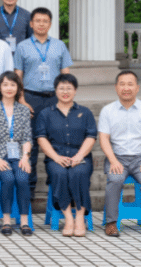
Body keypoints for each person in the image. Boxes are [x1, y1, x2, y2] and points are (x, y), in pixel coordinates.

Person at [13, 7, 72, 195]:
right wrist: (21, 99)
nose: (41, 24)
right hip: (30, 98)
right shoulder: (22, 47)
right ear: (31, 24)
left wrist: (65, 100)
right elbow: (18, 75)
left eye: (45, 21)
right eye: (37, 21)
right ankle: (28, 190)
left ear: (50, 24)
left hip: (54, 99)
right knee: (30, 143)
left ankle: (56, 188)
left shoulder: (59, 46)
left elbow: (66, 75)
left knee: (56, 141)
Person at [98, 70, 141, 239]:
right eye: (122, 84)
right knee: (115, 180)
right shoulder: (108, 110)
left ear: (137, 88)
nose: (126, 88)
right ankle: (111, 223)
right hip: (117, 157)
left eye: (130, 84)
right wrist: (113, 160)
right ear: (116, 87)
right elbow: (103, 138)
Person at [35, 73, 96, 238]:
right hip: (56, 158)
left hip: (80, 157)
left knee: (79, 173)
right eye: (61, 88)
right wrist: (56, 157)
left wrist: (79, 156)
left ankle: (79, 218)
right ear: (55, 90)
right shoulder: (46, 114)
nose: (65, 92)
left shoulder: (85, 112)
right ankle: (69, 218)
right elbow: (41, 138)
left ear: (75, 90)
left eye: (69, 88)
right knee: (60, 174)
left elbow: (91, 137)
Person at [0, 72, 34, 236]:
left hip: (18, 155)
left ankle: (24, 221)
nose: (9, 88)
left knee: (22, 178)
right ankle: (6, 221)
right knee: (8, 178)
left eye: (12, 84)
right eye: (5, 84)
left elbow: (27, 137)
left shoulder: (24, 110)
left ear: (18, 88)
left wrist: (25, 157)